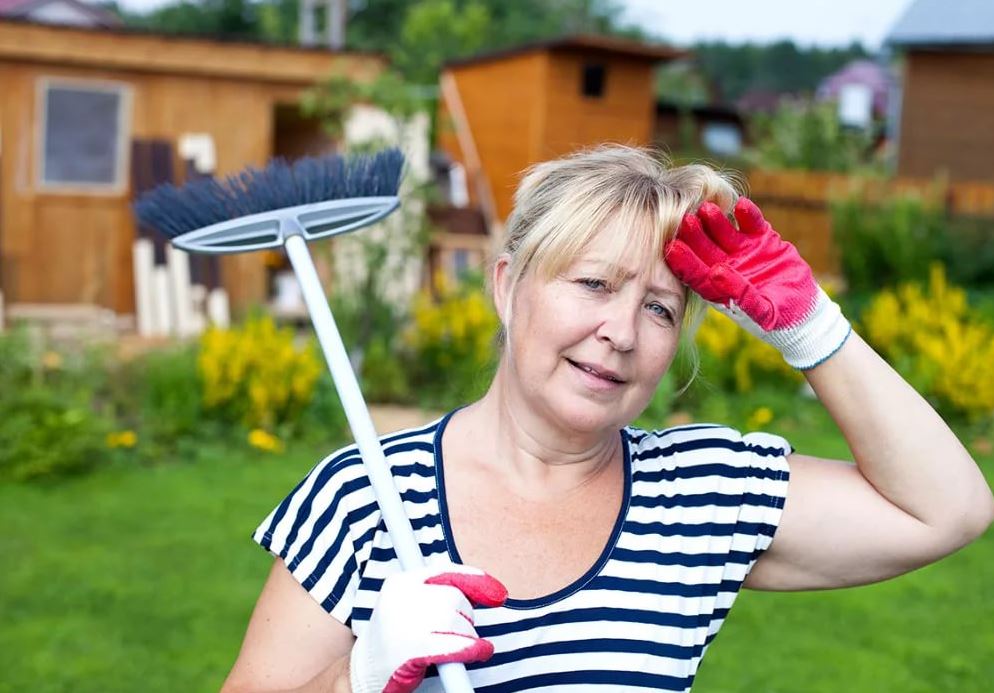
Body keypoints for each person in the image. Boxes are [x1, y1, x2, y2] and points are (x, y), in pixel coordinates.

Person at [221, 145, 994, 693]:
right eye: (594, 283)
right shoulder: (363, 497)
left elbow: (948, 509)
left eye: (659, 308)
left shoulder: (698, 494)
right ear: (507, 286)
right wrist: (355, 678)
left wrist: (811, 329)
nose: (621, 332)